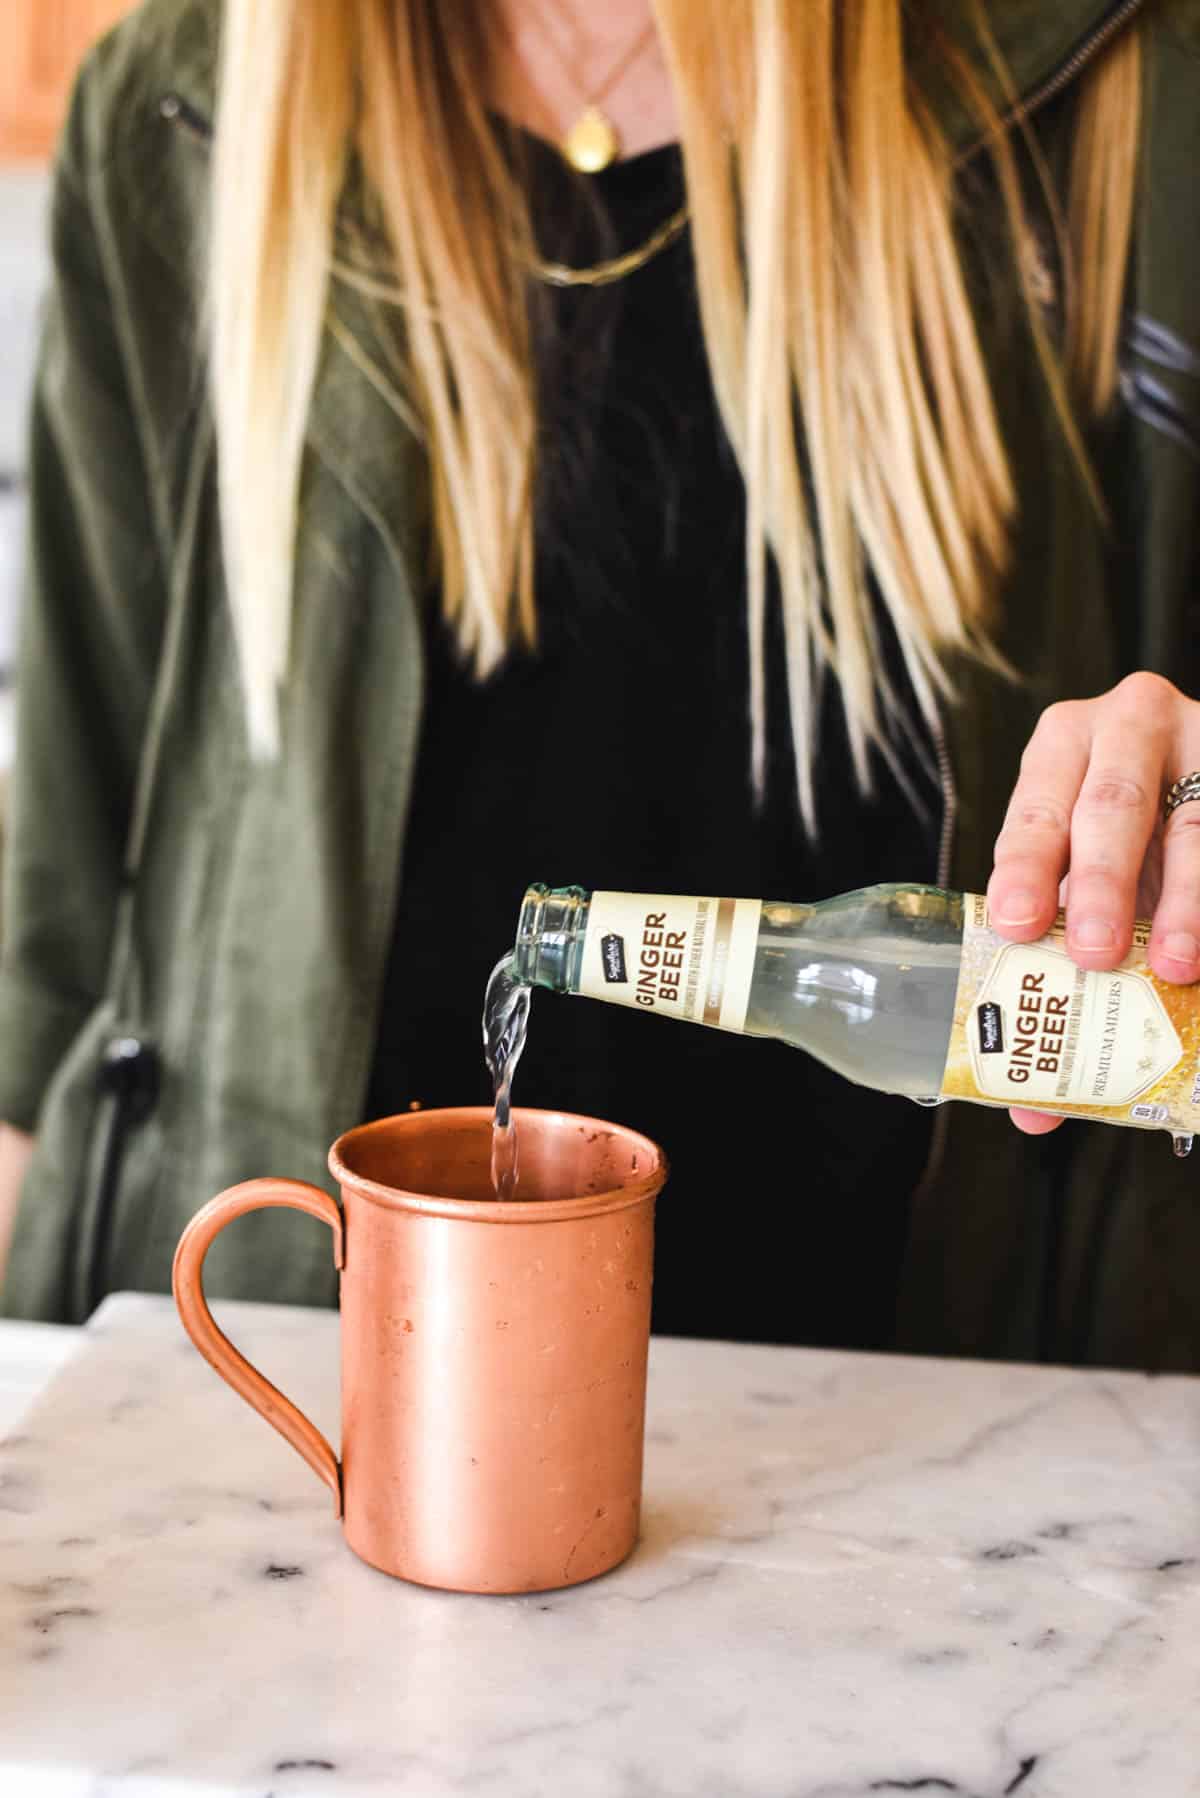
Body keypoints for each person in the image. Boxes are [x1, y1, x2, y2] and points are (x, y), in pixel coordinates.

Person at [0, 0, 1197, 1368]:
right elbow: (49, 972)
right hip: (284, 1428)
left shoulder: (1128, 89)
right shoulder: (174, 111)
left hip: (965, 1493)